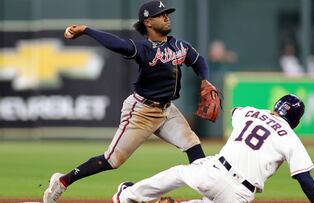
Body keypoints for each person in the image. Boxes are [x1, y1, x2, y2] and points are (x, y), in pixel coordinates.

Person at [43, 1, 218, 202]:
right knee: (112, 160)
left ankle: (210, 197)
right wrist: (87, 30)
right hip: (142, 111)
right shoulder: (144, 48)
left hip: (167, 110)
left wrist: (205, 80)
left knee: (194, 147)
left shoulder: (179, 45)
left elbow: (198, 61)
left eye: (167, 13)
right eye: (161, 14)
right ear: (148, 22)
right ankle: (63, 181)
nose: (166, 17)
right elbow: (118, 44)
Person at [112, 94, 314, 203]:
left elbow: (234, 111)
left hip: (216, 171)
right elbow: (303, 177)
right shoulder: (291, 138)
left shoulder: (250, 112)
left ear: (275, 106)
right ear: (296, 120)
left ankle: (128, 196)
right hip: (240, 195)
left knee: (178, 174)